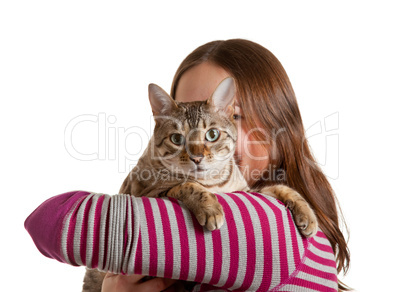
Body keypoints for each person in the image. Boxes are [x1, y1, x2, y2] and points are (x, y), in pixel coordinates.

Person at [25, 39, 350, 291]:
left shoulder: (275, 227)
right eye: (181, 119)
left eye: (229, 117)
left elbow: (53, 221)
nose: (198, 152)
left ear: (280, 126)